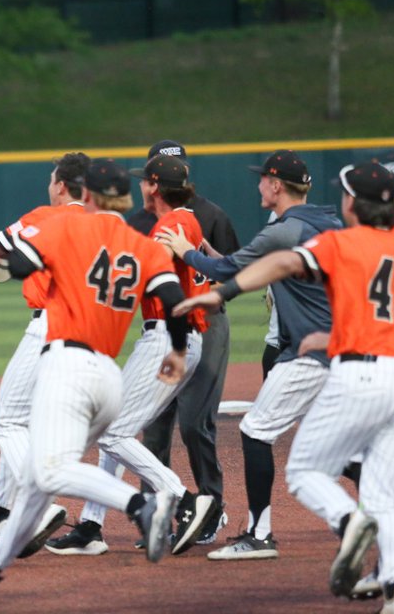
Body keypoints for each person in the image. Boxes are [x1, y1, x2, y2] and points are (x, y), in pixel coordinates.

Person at [174, 161, 394, 614]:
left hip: (360, 374)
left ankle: (349, 520)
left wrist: (220, 292)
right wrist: (338, 334)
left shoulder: (341, 241)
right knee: (386, 490)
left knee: (304, 470)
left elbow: (284, 261)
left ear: (354, 204)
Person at [0, 160, 192, 607]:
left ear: (86, 194)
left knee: (50, 470)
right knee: (37, 482)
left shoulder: (64, 226)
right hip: (109, 378)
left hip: (68, 368)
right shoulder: (143, 245)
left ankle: (143, 506)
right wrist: (177, 353)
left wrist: (29, 252)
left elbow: (17, 266)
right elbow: (175, 302)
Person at [157, 149, 341, 561]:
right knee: (329, 444)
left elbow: (229, 274)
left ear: (276, 185)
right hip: (341, 347)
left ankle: (260, 534)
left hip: (310, 351)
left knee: (257, 429)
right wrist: (206, 249)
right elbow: (245, 269)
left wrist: (187, 251)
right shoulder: (321, 221)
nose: (258, 184)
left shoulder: (283, 230)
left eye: (263, 179)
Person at [47, 154, 216, 557]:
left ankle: (185, 499)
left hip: (169, 339)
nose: (141, 187)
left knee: (112, 432)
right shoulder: (177, 221)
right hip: (170, 337)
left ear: (154, 187)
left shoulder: (176, 219)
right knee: (112, 429)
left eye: (146, 181)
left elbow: (150, 257)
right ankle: (91, 526)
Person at [0, 153, 90, 545]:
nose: (50, 185)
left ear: (61, 186)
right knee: (25, 422)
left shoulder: (46, 216)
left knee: (6, 422)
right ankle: (0, 510)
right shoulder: (102, 222)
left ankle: (40, 504)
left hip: (50, 325)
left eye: (53, 179)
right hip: (92, 329)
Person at [130, 139, 238, 544]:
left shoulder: (210, 215)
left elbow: (235, 274)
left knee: (195, 424)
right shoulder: (139, 221)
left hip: (206, 325)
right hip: (162, 329)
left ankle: (211, 508)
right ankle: (157, 514)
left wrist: (199, 271)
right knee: (154, 427)